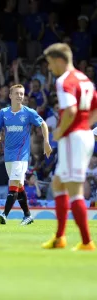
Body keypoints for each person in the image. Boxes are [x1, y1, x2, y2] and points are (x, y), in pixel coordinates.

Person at [41, 43, 96, 251]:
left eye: (50, 63)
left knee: (74, 190)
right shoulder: (84, 79)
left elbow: (71, 111)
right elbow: (95, 108)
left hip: (73, 138)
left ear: (59, 60)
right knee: (58, 184)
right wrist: (84, 127)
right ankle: (60, 237)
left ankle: (86, 241)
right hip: (83, 135)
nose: (49, 68)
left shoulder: (65, 81)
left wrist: (61, 131)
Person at [0, 84, 52, 225]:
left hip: (22, 156)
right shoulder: (3, 113)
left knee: (13, 184)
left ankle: (4, 214)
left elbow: (43, 124)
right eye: (16, 93)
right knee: (19, 186)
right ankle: (28, 216)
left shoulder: (28, 112)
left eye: (22, 94)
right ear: (10, 95)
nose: (19, 96)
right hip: (8, 155)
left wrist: (46, 142)